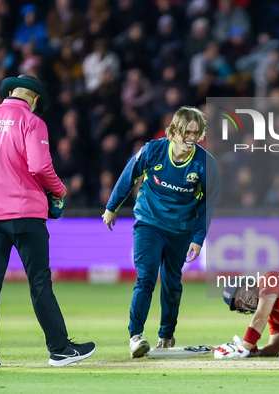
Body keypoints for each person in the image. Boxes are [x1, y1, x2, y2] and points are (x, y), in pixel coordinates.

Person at [0, 74, 95, 367]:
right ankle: (59, 349)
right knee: (39, 282)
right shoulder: (32, 122)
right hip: (26, 213)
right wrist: (59, 189)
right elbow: (40, 166)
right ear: (36, 98)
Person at [102, 106, 221, 358]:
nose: (192, 138)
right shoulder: (153, 150)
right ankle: (136, 336)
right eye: (187, 131)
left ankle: (166, 335)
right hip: (149, 223)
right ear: (174, 131)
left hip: (181, 231)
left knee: (171, 284)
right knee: (145, 277)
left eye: (196, 133)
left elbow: (207, 205)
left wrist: (198, 238)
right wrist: (112, 206)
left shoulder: (206, 164)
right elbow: (128, 176)